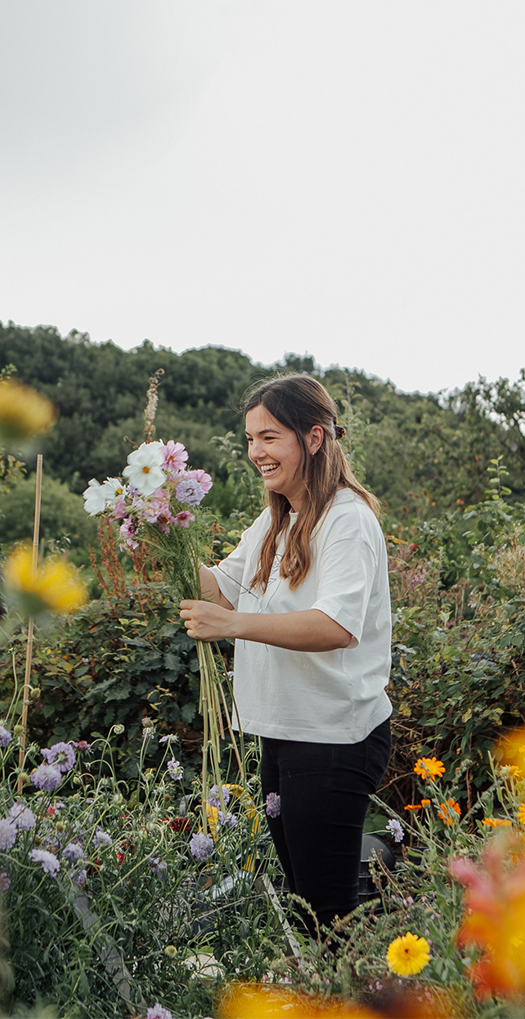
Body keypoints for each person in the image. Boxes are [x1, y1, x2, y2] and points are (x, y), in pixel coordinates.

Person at [179, 374, 392, 934]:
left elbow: (336, 626)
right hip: (288, 731)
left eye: (269, 437)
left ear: (314, 438)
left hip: (333, 738)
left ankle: (352, 997)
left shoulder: (346, 520)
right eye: (250, 439)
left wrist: (234, 626)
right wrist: (159, 533)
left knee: (326, 917)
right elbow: (219, 588)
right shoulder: (278, 519)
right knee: (303, 907)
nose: (256, 453)